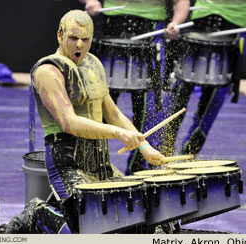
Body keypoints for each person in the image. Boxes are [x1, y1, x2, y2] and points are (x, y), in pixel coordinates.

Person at [0, 9, 164, 234]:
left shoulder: (94, 63)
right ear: (59, 35)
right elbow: (70, 123)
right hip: (67, 162)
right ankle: (38, 212)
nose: (79, 45)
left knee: (135, 221)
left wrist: (145, 147)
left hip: (101, 163)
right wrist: (116, 133)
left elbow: (113, 113)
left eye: (85, 40)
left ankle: (58, 210)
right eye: (73, 38)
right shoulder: (48, 70)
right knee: (81, 234)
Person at [80, 0, 190, 174]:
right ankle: (92, 167)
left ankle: (139, 172)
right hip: (111, 28)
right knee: (97, 105)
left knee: (149, 111)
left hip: (152, 30)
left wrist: (175, 23)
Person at [161, 0, 246, 157]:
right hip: (200, 21)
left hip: (235, 28)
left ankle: (189, 153)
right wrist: (176, 20)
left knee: (214, 98)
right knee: (181, 90)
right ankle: (165, 147)